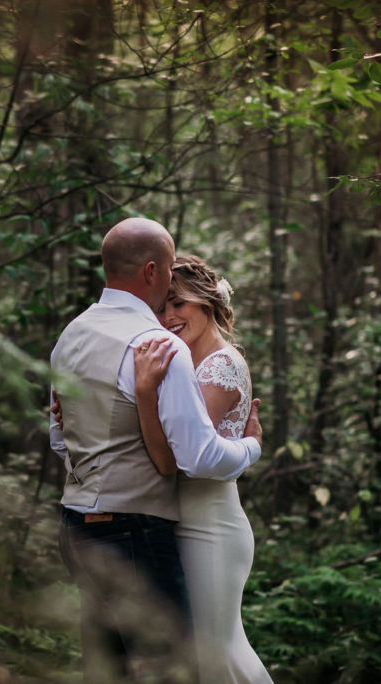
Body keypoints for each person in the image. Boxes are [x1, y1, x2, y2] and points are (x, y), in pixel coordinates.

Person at [49, 218, 263, 682]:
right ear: (152, 271)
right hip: (136, 529)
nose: (168, 310)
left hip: (78, 524)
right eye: (167, 275)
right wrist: (251, 447)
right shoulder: (158, 347)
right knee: (171, 668)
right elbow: (194, 458)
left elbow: (60, 441)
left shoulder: (71, 336)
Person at [134, 255, 274, 683]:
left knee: (219, 652)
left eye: (178, 303)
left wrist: (143, 396)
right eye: (161, 307)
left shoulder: (220, 365)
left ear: (207, 301)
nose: (168, 317)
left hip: (210, 527)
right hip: (182, 522)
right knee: (204, 654)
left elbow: (177, 459)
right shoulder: (183, 364)